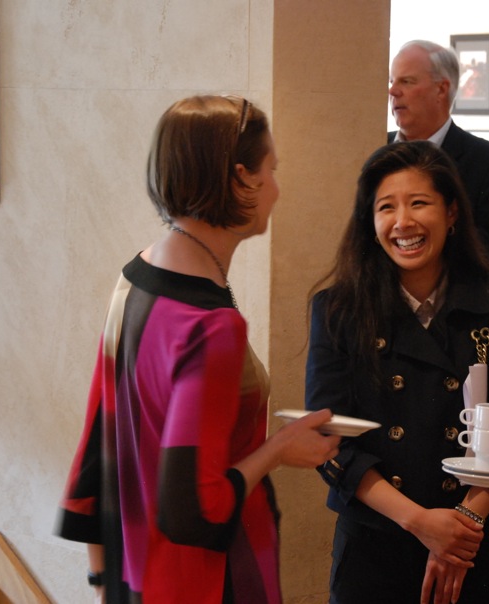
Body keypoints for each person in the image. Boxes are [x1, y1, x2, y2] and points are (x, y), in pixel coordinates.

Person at [56, 95, 342, 604]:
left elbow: (99, 443)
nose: (277, 188)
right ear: (241, 179)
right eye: (271, 169)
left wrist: (101, 580)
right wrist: (278, 450)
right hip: (203, 584)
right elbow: (193, 511)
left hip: (134, 575)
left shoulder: (135, 276)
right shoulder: (212, 327)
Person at [305, 141, 489, 604]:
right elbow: (329, 440)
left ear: (451, 213)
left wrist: (463, 525)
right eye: (386, 207)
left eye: (418, 203)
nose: (403, 222)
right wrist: (420, 522)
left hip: (470, 549)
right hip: (373, 551)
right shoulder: (338, 311)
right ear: (370, 223)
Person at [388, 40, 489, 272]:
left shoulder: (488, 161)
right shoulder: (373, 149)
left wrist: (438, 230)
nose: (393, 91)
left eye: (406, 81)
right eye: (392, 81)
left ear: (441, 89)